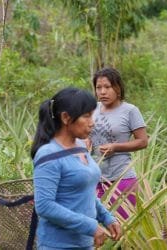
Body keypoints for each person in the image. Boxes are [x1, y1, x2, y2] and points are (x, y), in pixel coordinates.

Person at [32, 87, 121, 249]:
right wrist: (90, 226)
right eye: (86, 116)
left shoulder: (80, 146)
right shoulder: (48, 154)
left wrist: (107, 218)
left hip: (84, 243)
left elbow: (85, 192)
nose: (92, 122)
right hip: (58, 245)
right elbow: (44, 205)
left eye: (92, 115)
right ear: (66, 118)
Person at [89, 67, 148, 219]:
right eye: (98, 87)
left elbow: (143, 141)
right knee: (97, 232)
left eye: (107, 87)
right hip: (95, 180)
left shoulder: (130, 111)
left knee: (122, 231)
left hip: (121, 180)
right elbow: (84, 135)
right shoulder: (91, 109)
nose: (102, 92)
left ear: (118, 88)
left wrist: (116, 147)